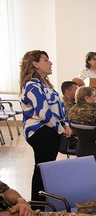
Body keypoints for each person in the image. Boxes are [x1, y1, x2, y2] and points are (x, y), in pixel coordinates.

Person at [19, 50, 72, 204]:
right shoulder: (31, 85)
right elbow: (43, 112)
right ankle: (37, 206)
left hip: (51, 130)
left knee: (45, 169)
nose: (50, 63)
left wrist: (66, 124)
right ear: (35, 64)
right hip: (40, 131)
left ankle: (42, 205)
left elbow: (60, 108)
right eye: (45, 60)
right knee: (42, 170)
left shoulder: (46, 85)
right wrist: (61, 129)